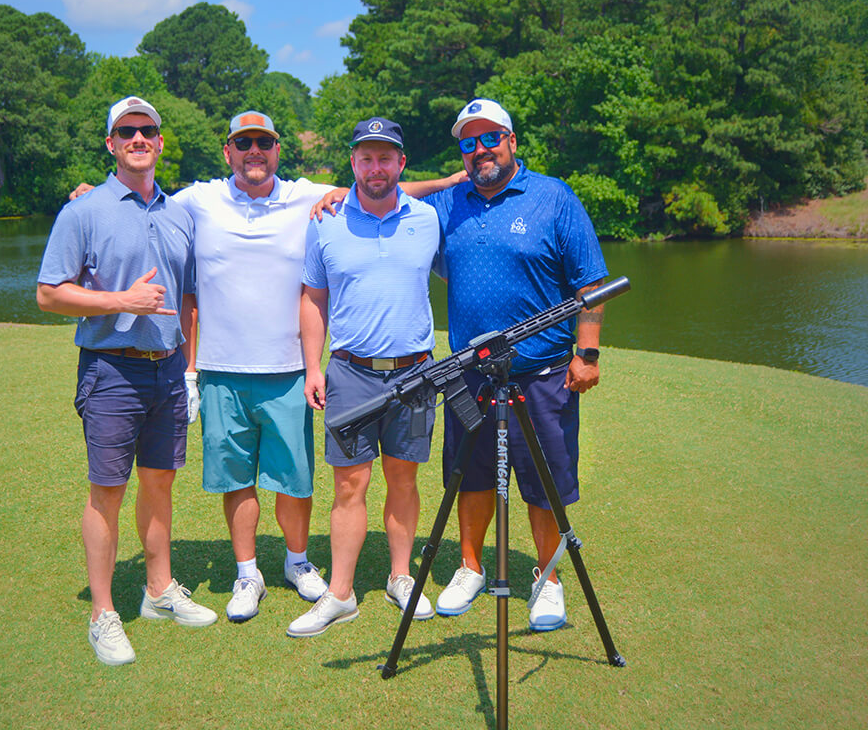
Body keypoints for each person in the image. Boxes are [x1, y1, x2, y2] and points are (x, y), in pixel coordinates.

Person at [312, 98, 608, 633]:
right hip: (470, 372)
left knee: (545, 481)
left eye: (489, 138)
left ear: (512, 141)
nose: (480, 150)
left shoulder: (552, 197)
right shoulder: (448, 205)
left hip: (541, 370)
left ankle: (548, 578)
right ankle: (471, 566)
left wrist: (586, 351)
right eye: (468, 143)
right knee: (468, 475)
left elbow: (590, 280)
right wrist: (346, 192)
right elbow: (393, 194)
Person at [70, 110, 332, 623]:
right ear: (228, 151)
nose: (254, 151)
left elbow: (380, 179)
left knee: (293, 480)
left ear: (278, 149)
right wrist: (90, 196)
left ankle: (297, 563)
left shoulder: (306, 196)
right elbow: (139, 200)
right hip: (219, 369)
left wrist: (451, 181)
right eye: (243, 143)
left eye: (264, 142)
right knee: (237, 478)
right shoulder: (198, 199)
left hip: (286, 368)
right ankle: (246, 571)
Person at [37, 96, 217, 667]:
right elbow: (49, 293)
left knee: (159, 484)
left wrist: (189, 368)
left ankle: (158, 591)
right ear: (111, 145)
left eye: (148, 131)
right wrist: (121, 301)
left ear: (161, 143)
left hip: (167, 370)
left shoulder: (179, 211)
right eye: (127, 132)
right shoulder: (83, 213)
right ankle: (102, 614)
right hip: (111, 369)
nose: (139, 139)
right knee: (107, 492)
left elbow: (187, 296)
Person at [286, 117, 440, 638]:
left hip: (416, 373)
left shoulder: (427, 218)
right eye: (365, 157)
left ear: (401, 163)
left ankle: (401, 577)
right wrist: (313, 366)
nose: (376, 167)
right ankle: (341, 593)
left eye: (386, 157)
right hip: (351, 371)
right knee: (349, 484)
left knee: (404, 477)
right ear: (353, 163)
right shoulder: (325, 220)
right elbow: (312, 297)